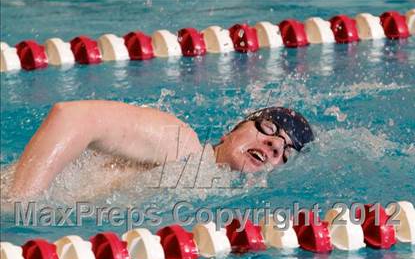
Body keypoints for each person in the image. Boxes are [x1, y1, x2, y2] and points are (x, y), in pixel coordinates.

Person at [10, 100, 314, 198]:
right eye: (268, 130)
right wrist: (20, 204)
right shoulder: (183, 144)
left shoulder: (209, 192)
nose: (274, 144)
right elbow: (73, 116)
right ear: (229, 133)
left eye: (283, 152)